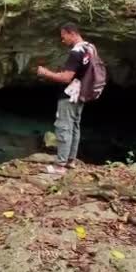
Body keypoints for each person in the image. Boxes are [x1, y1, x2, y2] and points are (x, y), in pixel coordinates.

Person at [36, 22, 91, 174]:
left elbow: (67, 78)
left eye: (63, 36)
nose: (63, 40)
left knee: (63, 127)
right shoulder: (90, 48)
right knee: (74, 127)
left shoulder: (76, 52)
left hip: (70, 95)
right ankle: (70, 161)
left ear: (71, 33)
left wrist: (46, 73)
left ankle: (60, 165)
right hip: (82, 93)